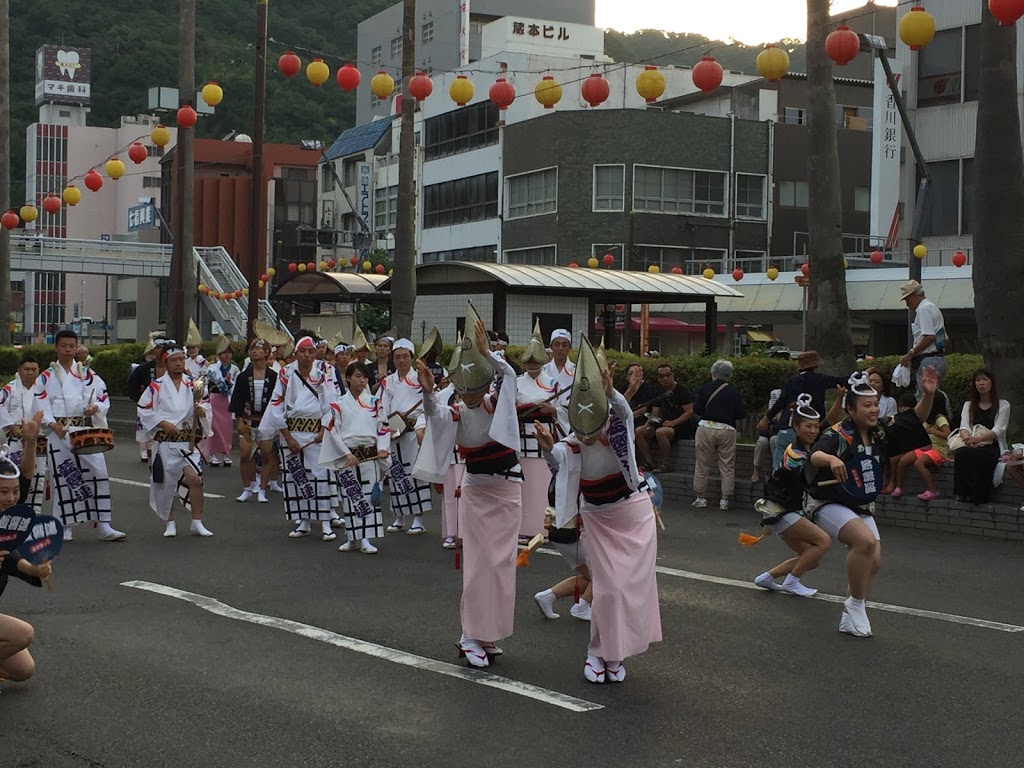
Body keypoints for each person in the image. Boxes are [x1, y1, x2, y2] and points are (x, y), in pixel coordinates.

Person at [536, 337, 661, 684]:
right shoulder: (572, 443)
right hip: (598, 519)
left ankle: (615, 654)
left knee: (628, 588)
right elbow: (558, 461)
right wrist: (548, 448)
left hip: (632, 515)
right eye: (579, 426)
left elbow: (622, 412)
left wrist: (611, 393)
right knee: (607, 590)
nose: (586, 435)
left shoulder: (617, 429)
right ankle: (597, 653)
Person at [414, 306, 523, 669]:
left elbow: (510, 376)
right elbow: (434, 416)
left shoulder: (498, 403)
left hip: (508, 491)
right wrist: (430, 394)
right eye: (465, 390)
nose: (471, 396)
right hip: (477, 491)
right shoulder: (456, 411)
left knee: (502, 564)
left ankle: (487, 632)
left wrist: (489, 354)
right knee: (478, 565)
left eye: (475, 389)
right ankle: (468, 634)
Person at [806, 368, 938, 637]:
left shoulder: (880, 431)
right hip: (827, 502)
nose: (873, 409)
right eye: (867, 405)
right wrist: (831, 459)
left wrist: (928, 394)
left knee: (872, 562)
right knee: (864, 542)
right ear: (850, 410)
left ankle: (849, 617)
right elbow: (815, 454)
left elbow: (914, 420)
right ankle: (856, 604)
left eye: (875, 404)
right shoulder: (838, 434)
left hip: (861, 504)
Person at [32, 330, 125, 542]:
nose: (67, 349)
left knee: (98, 472)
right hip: (59, 431)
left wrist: (96, 408)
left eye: (71, 346)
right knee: (64, 476)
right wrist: (51, 423)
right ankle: (65, 525)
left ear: (77, 348)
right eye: (63, 345)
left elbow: (103, 397)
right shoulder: (46, 377)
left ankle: (104, 524)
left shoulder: (88, 374)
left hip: (85, 430)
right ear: (56, 348)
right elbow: (39, 402)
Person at [751, 395, 832, 596]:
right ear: (796, 427)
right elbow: (810, 482)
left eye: (815, 426)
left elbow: (829, 423)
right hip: (781, 510)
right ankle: (792, 581)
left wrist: (838, 399)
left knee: (810, 558)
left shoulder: (806, 449)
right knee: (823, 542)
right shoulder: (797, 454)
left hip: (782, 510)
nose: (813, 431)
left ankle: (768, 577)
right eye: (808, 426)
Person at [261, 336, 339, 540]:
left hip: (316, 432)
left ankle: (325, 523)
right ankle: (303, 521)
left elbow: (331, 404)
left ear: (315, 354)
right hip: (292, 431)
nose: (306, 356)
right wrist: (287, 436)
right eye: (302, 352)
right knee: (296, 477)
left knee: (320, 476)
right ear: (295, 353)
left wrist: (324, 429)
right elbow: (276, 404)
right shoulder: (286, 374)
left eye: (310, 352)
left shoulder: (323, 374)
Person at [137, 342, 214, 537]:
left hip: (187, 441)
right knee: (165, 484)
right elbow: (143, 409)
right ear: (166, 362)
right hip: (165, 442)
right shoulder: (156, 386)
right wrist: (162, 423)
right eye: (174, 360)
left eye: (181, 359)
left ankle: (197, 521)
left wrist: (201, 411)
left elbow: (205, 404)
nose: (179, 364)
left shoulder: (193, 384)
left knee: (195, 478)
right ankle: (169, 522)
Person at [0, 434, 54, 688]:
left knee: (23, 669)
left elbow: (11, 560)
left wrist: (31, 442)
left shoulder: (6, 521)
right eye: (3, 493)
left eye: (14, 493)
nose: (11, 499)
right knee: (23, 634)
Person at [320, 362, 390, 554]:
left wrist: (383, 448)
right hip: (347, 455)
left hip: (370, 455)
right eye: (357, 376)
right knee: (350, 497)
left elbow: (383, 428)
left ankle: (366, 538)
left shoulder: (375, 402)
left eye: (364, 377)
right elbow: (333, 430)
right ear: (348, 378)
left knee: (368, 497)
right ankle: (352, 538)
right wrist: (346, 453)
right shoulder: (339, 404)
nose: (361, 380)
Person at [762, 351, 848, 471]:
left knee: (779, 465)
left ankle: (776, 485)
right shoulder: (820, 379)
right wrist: (863, 375)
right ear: (815, 366)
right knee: (805, 465)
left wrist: (766, 419)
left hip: (788, 427)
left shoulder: (790, 381)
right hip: (810, 428)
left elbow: (780, 403)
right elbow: (842, 381)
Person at [379, 339, 431, 535]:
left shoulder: (419, 378)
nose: (401, 360)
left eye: (405, 356)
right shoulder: (388, 381)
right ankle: (399, 515)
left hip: (412, 431)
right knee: (396, 474)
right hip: (393, 431)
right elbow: (382, 406)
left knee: (415, 475)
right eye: (397, 357)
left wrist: (418, 426)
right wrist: (387, 427)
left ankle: (418, 517)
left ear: (411, 357)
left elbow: (427, 406)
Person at [514, 322, 559, 541]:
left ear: (543, 361)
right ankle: (523, 527)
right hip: (522, 437)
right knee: (525, 484)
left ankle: (546, 527)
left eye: (536, 360)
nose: (532, 364)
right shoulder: (516, 383)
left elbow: (562, 410)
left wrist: (553, 409)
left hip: (544, 436)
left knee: (544, 483)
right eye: (529, 361)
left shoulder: (552, 383)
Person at [691, 360, 746, 511]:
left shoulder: (705, 388)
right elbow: (741, 413)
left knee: (702, 465)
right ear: (729, 375)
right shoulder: (734, 392)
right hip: (727, 429)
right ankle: (725, 500)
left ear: (714, 373)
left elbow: (696, 407)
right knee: (727, 465)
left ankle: (700, 498)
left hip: (706, 427)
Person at [230, 338, 279, 503]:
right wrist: (239, 420)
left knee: (267, 455)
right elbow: (237, 399)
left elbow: (278, 400)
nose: (255, 352)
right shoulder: (243, 376)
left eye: (259, 349)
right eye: (252, 349)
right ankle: (248, 487)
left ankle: (263, 489)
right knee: (245, 454)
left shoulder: (274, 377)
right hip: (249, 421)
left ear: (267, 352)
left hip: (266, 422)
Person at [953, 368, 1010, 505]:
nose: (981, 383)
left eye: (985, 379)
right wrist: (968, 439)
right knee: (962, 453)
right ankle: (962, 493)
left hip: (991, 445)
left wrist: (978, 439)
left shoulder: (1003, 405)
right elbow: (965, 426)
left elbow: (998, 430)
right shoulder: (969, 405)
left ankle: (980, 495)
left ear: (992, 383)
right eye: (978, 380)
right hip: (971, 443)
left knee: (981, 456)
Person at [0, 356, 46, 511]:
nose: (30, 372)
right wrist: (11, 426)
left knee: (37, 479)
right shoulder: (9, 389)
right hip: (14, 439)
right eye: (27, 369)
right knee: (15, 478)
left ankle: (34, 515)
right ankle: (11, 513)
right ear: (19, 370)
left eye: (34, 369)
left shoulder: (43, 391)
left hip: (36, 441)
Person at [631, 363, 693, 473]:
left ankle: (666, 464)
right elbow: (655, 412)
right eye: (661, 376)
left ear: (673, 375)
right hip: (663, 423)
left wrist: (673, 422)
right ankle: (649, 461)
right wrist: (648, 424)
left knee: (661, 432)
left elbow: (689, 412)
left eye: (668, 375)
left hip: (680, 425)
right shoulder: (658, 391)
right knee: (639, 431)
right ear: (658, 378)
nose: (665, 378)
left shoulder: (682, 390)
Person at [880, 392, 936, 498]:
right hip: (911, 448)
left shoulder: (913, 418)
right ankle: (891, 482)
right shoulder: (903, 420)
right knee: (893, 459)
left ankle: (898, 486)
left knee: (903, 461)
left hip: (923, 448)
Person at [899, 279, 948, 393]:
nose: (907, 303)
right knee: (934, 397)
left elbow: (929, 336)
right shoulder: (933, 307)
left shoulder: (923, 309)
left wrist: (910, 354)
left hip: (927, 360)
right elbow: (944, 339)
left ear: (914, 296)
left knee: (925, 398)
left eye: (907, 299)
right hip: (938, 358)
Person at [203, 336, 239, 468]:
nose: (227, 355)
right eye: (224, 352)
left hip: (226, 401)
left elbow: (235, 385)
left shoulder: (234, 368)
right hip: (214, 398)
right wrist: (226, 383)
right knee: (213, 427)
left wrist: (229, 383)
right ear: (219, 354)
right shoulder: (213, 368)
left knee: (226, 428)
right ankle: (212, 454)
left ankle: (226, 454)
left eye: (229, 352)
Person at [542, 329, 575, 436]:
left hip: (571, 423)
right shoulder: (543, 371)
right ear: (551, 347)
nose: (560, 348)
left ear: (569, 347)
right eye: (557, 344)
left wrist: (556, 411)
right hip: (546, 422)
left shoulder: (577, 371)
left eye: (564, 345)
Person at [621, 363, 658, 429]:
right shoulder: (623, 388)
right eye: (631, 373)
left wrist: (625, 418)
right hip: (624, 419)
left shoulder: (647, 389)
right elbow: (619, 406)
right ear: (626, 377)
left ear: (642, 375)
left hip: (641, 421)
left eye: (637, 373)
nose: (634, 376)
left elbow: (641, 411)